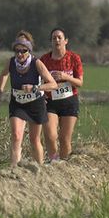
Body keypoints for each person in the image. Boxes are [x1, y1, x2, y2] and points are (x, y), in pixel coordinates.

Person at [0, 32, 58, 166]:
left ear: (29, 50)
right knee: (17, 136)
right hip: (18, 103)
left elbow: (53, 84)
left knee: (34, 140)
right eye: (17, 50)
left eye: (23, 51)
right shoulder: (11, 62)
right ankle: (14, 170)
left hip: (35, 104)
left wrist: (35, 87)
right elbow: (4, 74)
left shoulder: (37, 63)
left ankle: (39, 170)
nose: (20, 54)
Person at [41, 28, 85, 162]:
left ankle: (65, 165)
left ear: (65, 41)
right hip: (50, 101)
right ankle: (54, 161)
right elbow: (39, 81)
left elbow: (80, 83)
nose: (57, 40)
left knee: (65, 138)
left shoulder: (74, 58)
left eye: (60, 37)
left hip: (69, 101)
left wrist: (66, 77)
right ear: (51, 41)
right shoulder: (44, 60)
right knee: (50, 135)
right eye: (54, 38)